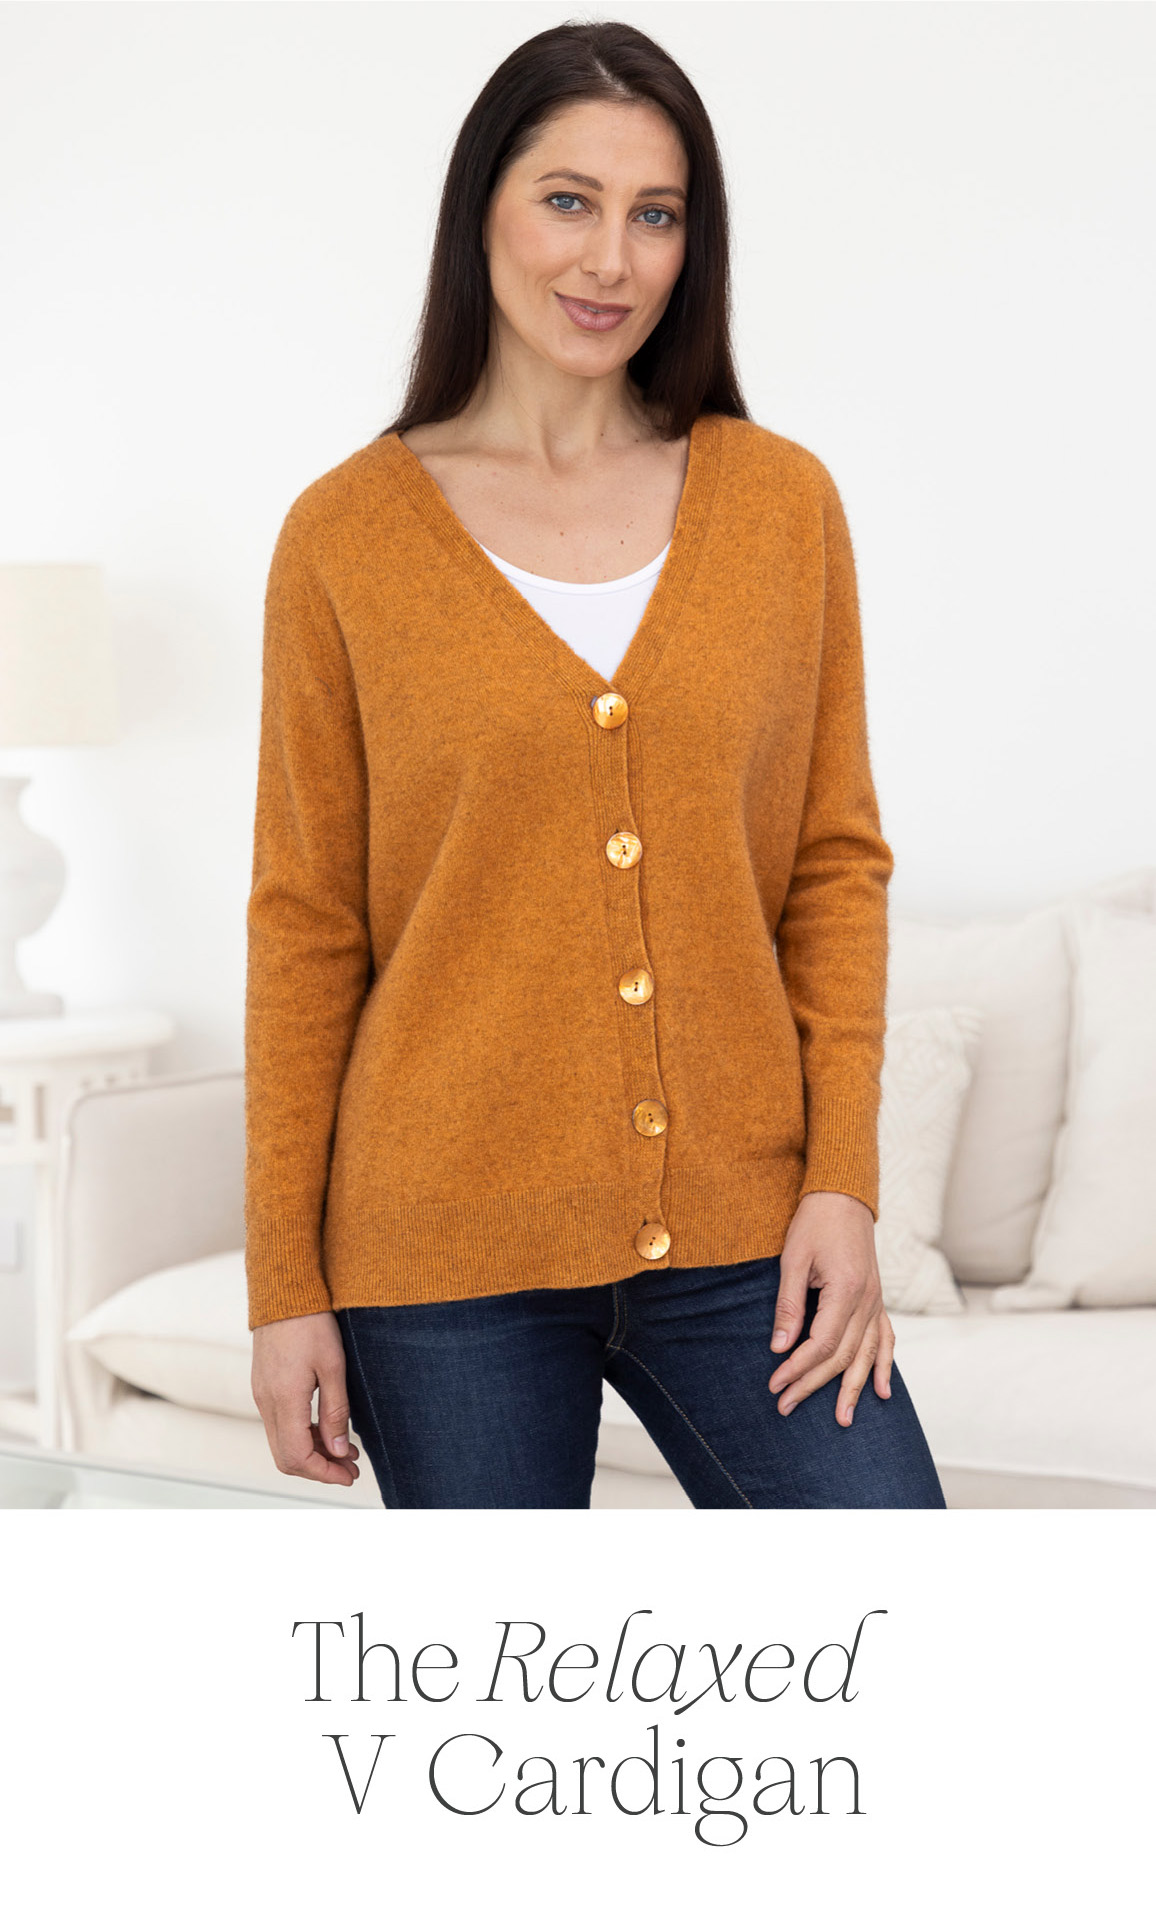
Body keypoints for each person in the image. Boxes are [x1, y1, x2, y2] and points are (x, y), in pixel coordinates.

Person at [245, 19, 947, 1510]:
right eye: (568, 200)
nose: (612, 260)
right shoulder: (344, 539)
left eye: (656, 213)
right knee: (511, 1653)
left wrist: (843, 1181)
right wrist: (282, 1285)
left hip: (749, 1234)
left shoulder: (781, 506)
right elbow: (305, 927)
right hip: (442, 1252)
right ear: (481, 211)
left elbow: (834, 865)